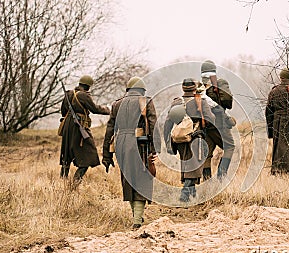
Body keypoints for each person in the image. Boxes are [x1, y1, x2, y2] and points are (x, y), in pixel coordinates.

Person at [102, 76, 159, 229]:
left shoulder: (116, 104)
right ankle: (137, 220)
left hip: (121, 144)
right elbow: (153, 125)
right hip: (139, 144)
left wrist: (106, 155)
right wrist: (155, 149)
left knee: (128, 179)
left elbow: (109, 129)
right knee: (141, 178)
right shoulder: (146, 101)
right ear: (142, 90)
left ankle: (136, 218)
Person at [164, 78, 215, 202]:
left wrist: (168, 142)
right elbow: (211, 119)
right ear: (194, 88)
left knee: (187, 164)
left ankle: (192, 195)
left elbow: (168, 123)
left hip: (180, 139)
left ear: (183, 88)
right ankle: (184, 194)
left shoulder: (176, 102)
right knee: (194, 166)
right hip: (196, 138)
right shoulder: (200, 101)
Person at [59, 75, 110, 183]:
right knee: (89, 155)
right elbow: (95, 109)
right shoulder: (84, 96)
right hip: (79, 126)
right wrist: (108, 110)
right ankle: (75, 182)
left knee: (66, 154)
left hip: (67, 127)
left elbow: (63, 111)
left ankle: (62, 181)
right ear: (88, 86)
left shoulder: (68, 94)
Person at [199, 60, 236, 181]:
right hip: (220, 123)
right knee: (229, 146)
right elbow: (228, 102)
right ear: (214, 70)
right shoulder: (220, 83)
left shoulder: (199, 87)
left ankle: (207, 180)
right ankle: (221, 175)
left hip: (204, 124)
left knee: (207, 153)